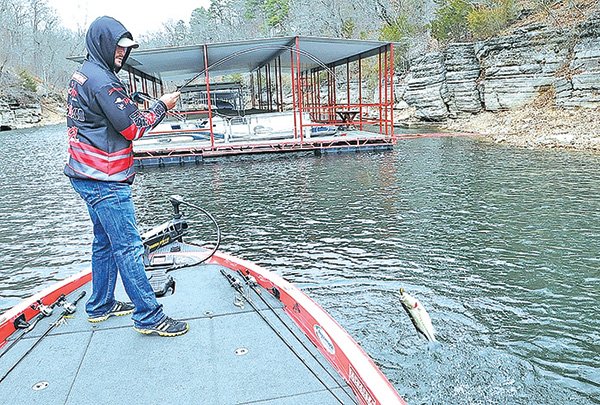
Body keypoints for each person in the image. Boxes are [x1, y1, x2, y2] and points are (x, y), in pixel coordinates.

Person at [64, 16, 188, 337]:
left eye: (126, 49)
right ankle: (149, 316)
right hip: (105, 179)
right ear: (103, 44)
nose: (122, 53)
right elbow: (134, 127)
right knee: (129, 247)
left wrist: (130, 104)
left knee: (104, 240)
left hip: (84, 173)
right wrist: (162, 105)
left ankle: (101, 304)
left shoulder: (84, 73)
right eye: (118, 47)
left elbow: (103, 117)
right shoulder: (103, 81)